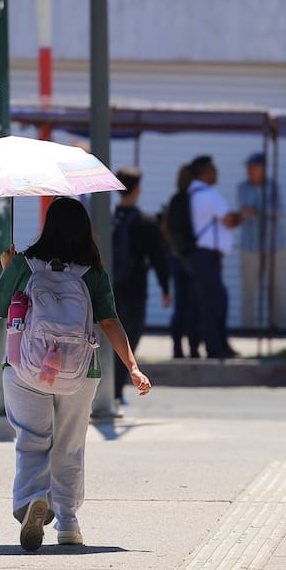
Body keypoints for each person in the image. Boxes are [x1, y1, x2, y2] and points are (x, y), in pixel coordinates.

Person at [0, 197, 151, 551]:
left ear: (47, 226)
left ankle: (32, 500)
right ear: (84, 230)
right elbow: (110, 321)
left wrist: (8, 268)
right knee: (70, 444)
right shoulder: (92, 273)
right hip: (80, 371)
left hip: (24, 367)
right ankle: (68, 522)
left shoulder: (24, 264)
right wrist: (132, 367)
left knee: (32, 439)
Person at [110, 167, 170, 409]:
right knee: (130, 337)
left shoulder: (108, 219)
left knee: (111, 337)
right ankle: (115, 391)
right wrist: (165, 288)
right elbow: (158, 257)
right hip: (135, 288)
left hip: (110, 288)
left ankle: (109, 389)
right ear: (137, 189)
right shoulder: (146, 222)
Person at [187, 155, 241, 359]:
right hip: (208, 257)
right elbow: (229, 220)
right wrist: (242, 215)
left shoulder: (189, 194)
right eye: (213, 169)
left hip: (196, 256)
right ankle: (215, 347)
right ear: (205, 173)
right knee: (214, 303)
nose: (217, 174)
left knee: (202, 301)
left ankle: (201, 346)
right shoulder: (210, 195)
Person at [237, 152, 286, 331]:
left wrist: (257, 211)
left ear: (263, 170)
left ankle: (277, 325)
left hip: (275, 244)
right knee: (248, 287)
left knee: (276, 286)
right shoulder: (242, 187)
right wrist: (263, 211)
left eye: (253, 168)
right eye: (248, 168)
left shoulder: (274, 187)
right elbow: (244, 211)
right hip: (250, 244)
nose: (249, 172)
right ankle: (247, 327)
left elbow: (279, 211)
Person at [163, 163, 200, 359]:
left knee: (180, 306)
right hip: (191, 257)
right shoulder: (193, 200)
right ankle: (193, 347)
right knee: (194, 306)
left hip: (176, 257)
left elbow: (167, 228)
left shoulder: (175, 200)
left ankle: (177, 347)